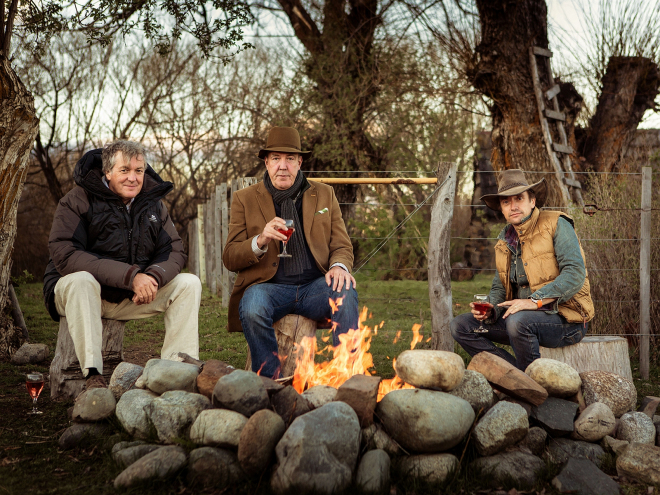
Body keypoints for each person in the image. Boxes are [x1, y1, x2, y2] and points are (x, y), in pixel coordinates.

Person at [43, 140, 201, 388]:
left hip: (129, 297)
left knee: (188, 283)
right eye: (124, 170)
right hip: (78, 295)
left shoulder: (153, 204)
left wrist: (152, 279)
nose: (133, 178)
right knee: (82, 281)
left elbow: (175, 251)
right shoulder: (77, 200)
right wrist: (131, 277)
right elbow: (65, 253)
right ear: (108, 172)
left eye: (138, 171)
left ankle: (178, 372)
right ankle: (92, 375)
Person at [223, 127, 358, 379]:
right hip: (269, 289)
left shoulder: (324, 194)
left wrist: (339, 265)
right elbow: (230, 256)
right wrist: (260, 240)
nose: (282, 166)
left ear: (299, 162)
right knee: (252, 306)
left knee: (346, 291)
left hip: (315, 287)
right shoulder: (245, 199)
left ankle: (346, 377)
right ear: (266, 162)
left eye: (289, 159)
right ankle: (269, 380)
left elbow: (342, 244)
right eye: (276, 159)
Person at [450, 169, 594, 371]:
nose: (513, 206)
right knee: (461, 325)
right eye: (506, 202)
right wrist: (492, 309)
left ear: (532, 201)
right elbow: (499, 287)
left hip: (567, 320)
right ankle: (514, 375)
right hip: (520, 321)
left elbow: (575, 273)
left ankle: (531, 387)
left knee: (518, 321)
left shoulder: (557, 223)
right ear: (501, 208)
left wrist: (535, 301)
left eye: (519, 198)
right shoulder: (504, 240)